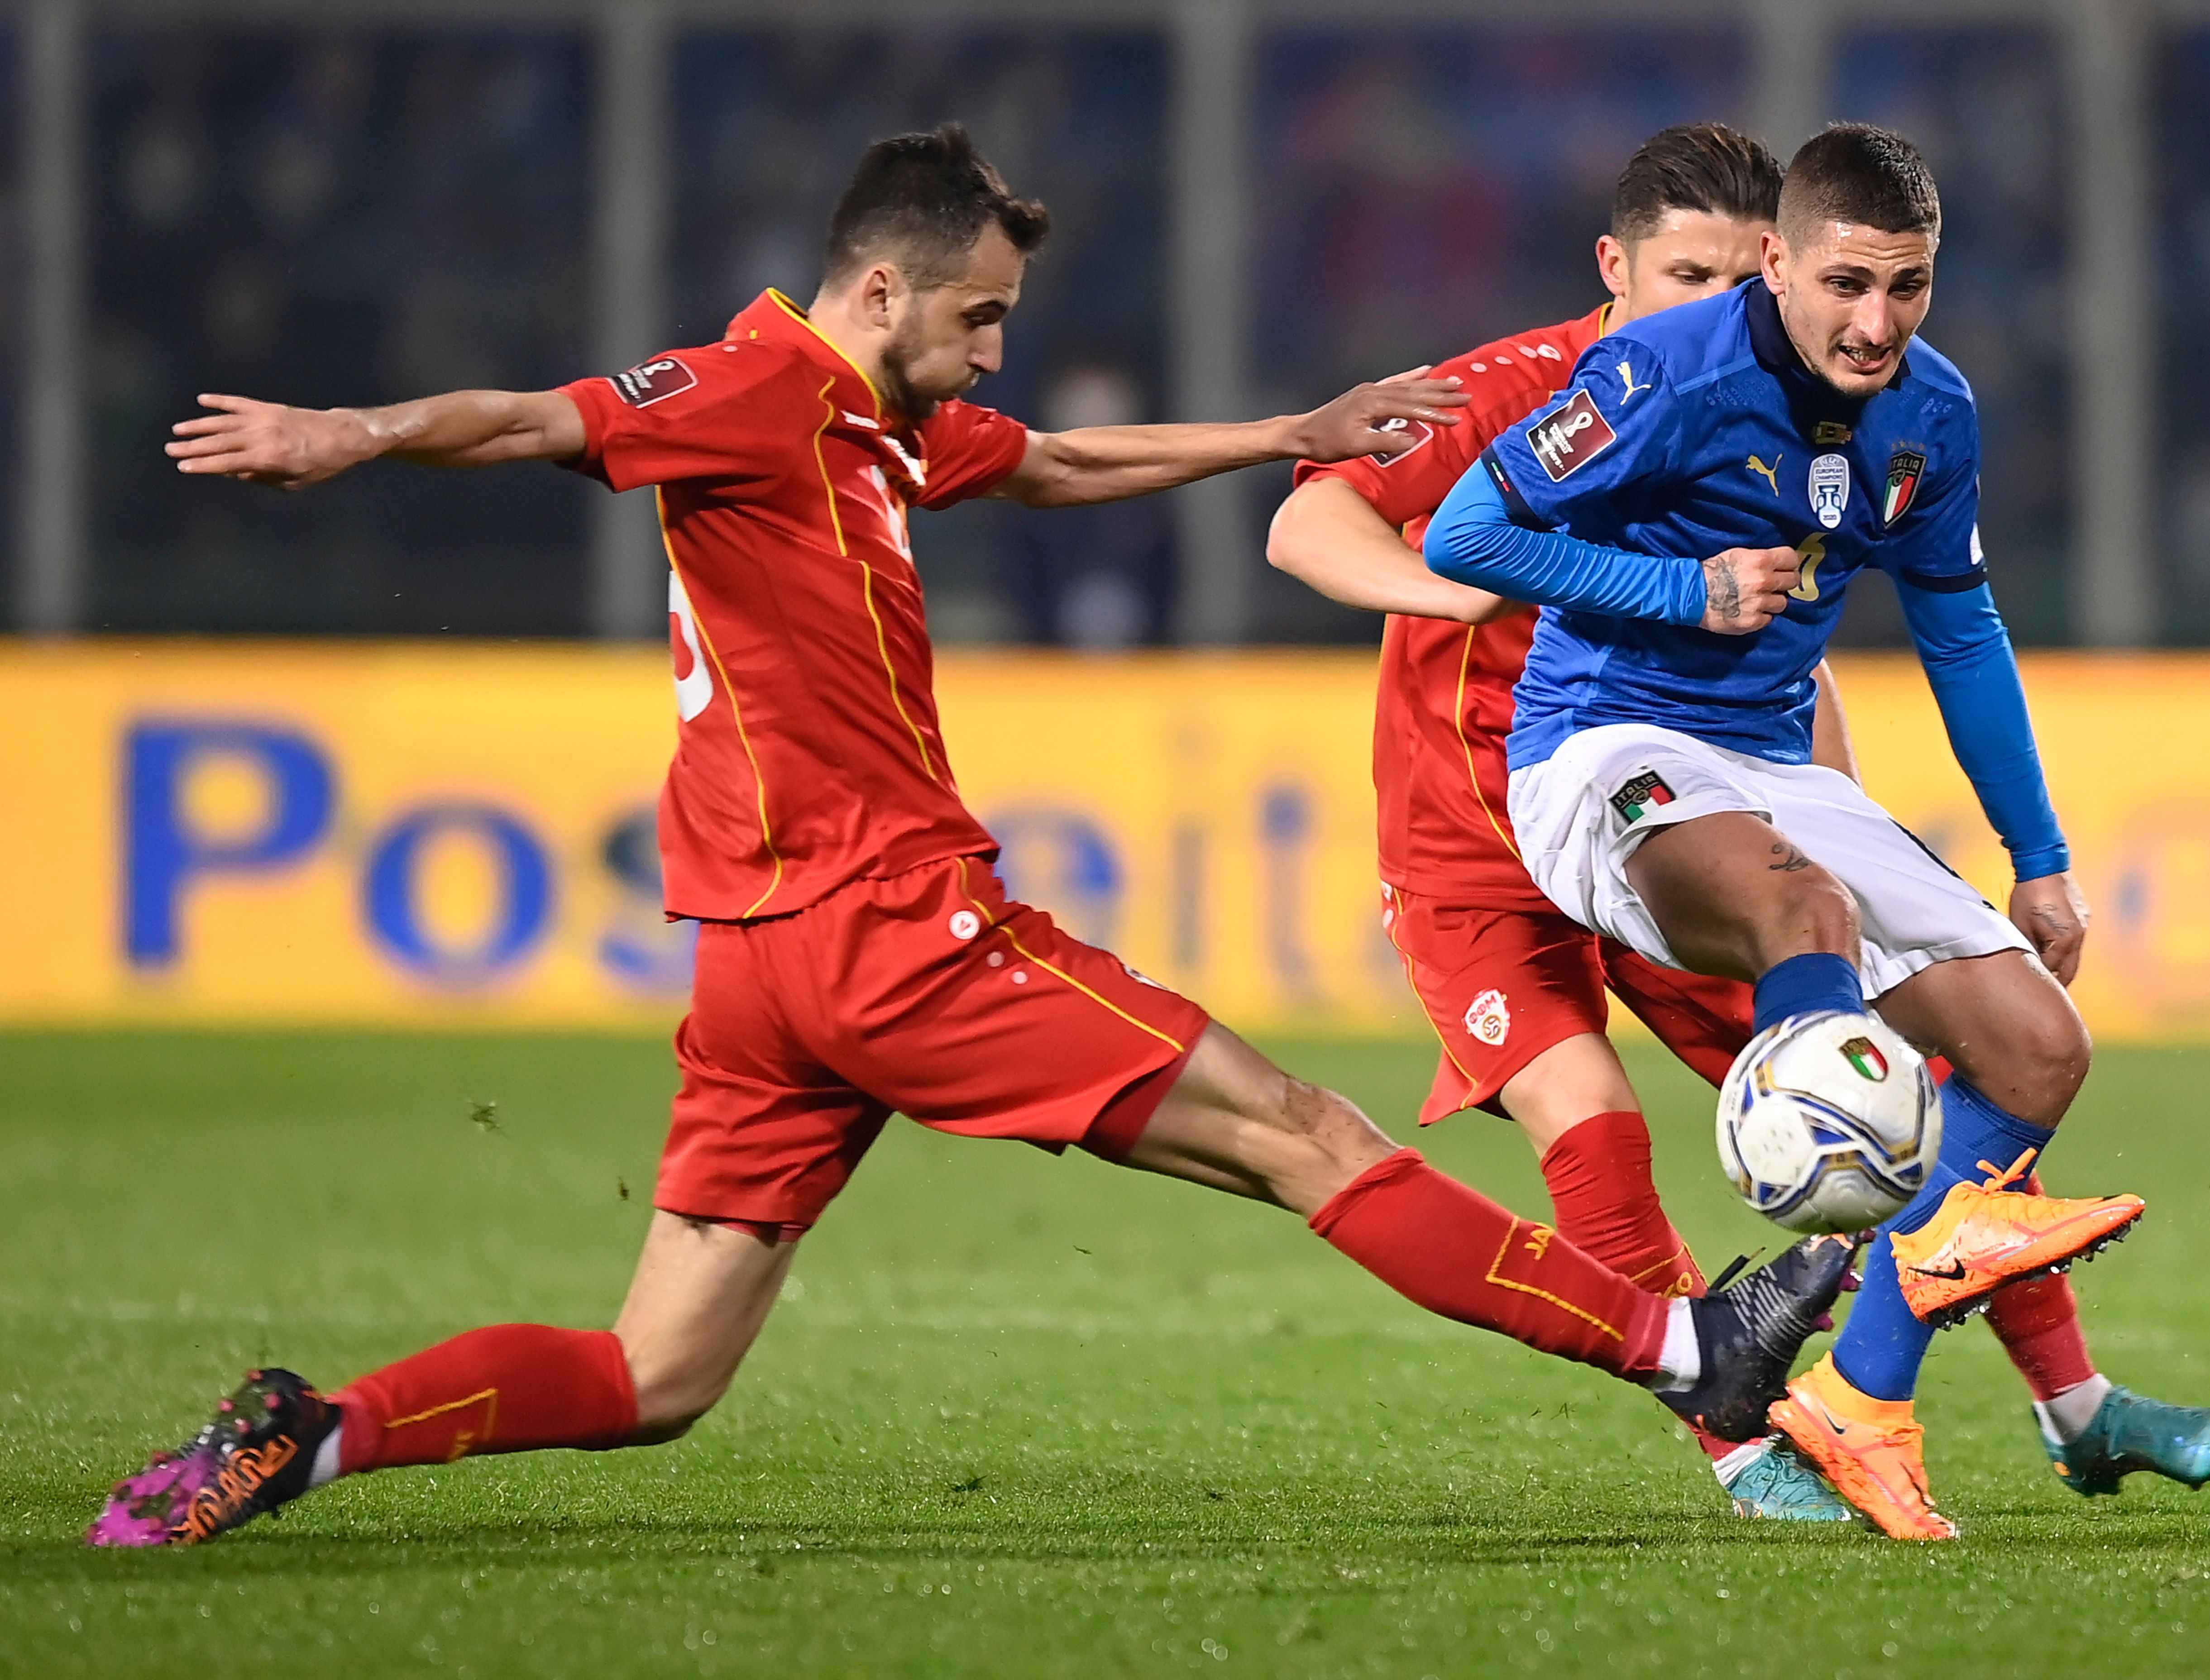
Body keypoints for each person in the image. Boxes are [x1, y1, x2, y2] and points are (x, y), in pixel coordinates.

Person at [92, 124, 1852, 1550]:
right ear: (883, 287)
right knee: (1303, 1133)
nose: (996, 351)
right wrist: (352, 432)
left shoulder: (873, 421)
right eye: (982, 317)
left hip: (761, 971)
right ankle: (1687, 1347)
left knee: (655, 1375)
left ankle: (316, 1431)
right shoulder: (749, 389)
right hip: (892, 928)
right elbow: (542, 416)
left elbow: (1062, 465)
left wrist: (1288, 433)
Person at [1423, 124, 2210, 1538]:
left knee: (2040, 1046)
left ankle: (1860, 1399)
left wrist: (2040, 859)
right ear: (1779, 262)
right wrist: (1682, 593)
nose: (1877, 323)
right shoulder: (1664, 374)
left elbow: (1963, 636)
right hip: (1599, 750)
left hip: (1770, 763)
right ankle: (1836, 1181)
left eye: (1908, 287)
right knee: (1801, 911)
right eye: (1847, 285)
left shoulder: (1934, 413)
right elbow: (1463, 536)